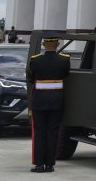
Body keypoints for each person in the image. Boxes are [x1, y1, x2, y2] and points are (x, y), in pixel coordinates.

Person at [26, 37, 70, 173]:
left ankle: (39, 165)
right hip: (57, 100)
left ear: (44, 44)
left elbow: (31, 79)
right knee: (53, 132)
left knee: (39, 132)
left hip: (39, 100)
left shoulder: (35, 60)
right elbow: (66, 75)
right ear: (57, 45)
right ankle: (50, 164)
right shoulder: (64, 60)